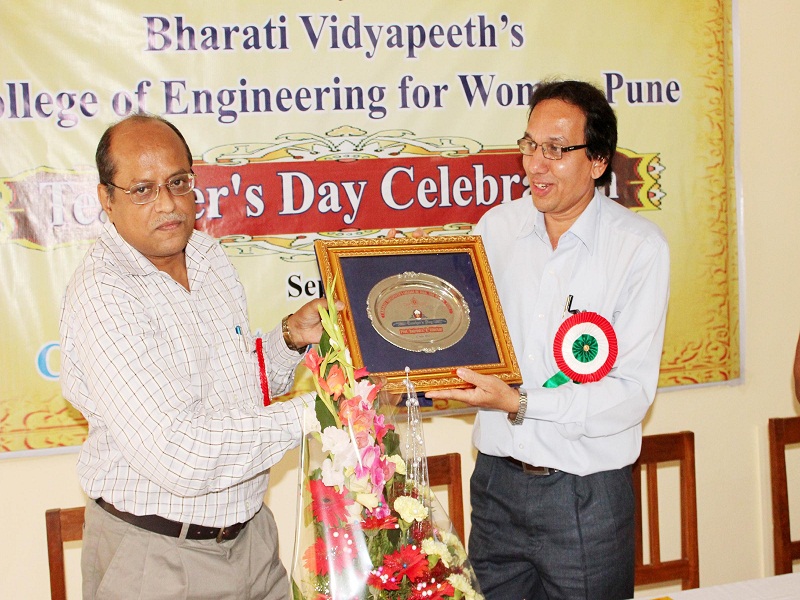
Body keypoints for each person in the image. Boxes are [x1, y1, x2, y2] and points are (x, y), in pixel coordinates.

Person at [60, 114, 331, 600]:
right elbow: (180, 453)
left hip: (252, 542)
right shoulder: (103, 293)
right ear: (107, 198)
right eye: (142, 190)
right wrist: (321, 412)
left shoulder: (207, 254)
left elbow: (236, 389)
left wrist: (290, 338)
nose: (166, 203)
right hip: (157, 558)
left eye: (178, 182)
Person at [426, 80, 670, 600]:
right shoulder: (496, 228)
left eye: (556, 150)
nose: (535, 165)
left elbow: (630, 394)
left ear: (598, 161)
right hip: (496, 487)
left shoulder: (637, 249)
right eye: (530, 145)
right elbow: (462, 334)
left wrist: (521, 402)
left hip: (585, 495)